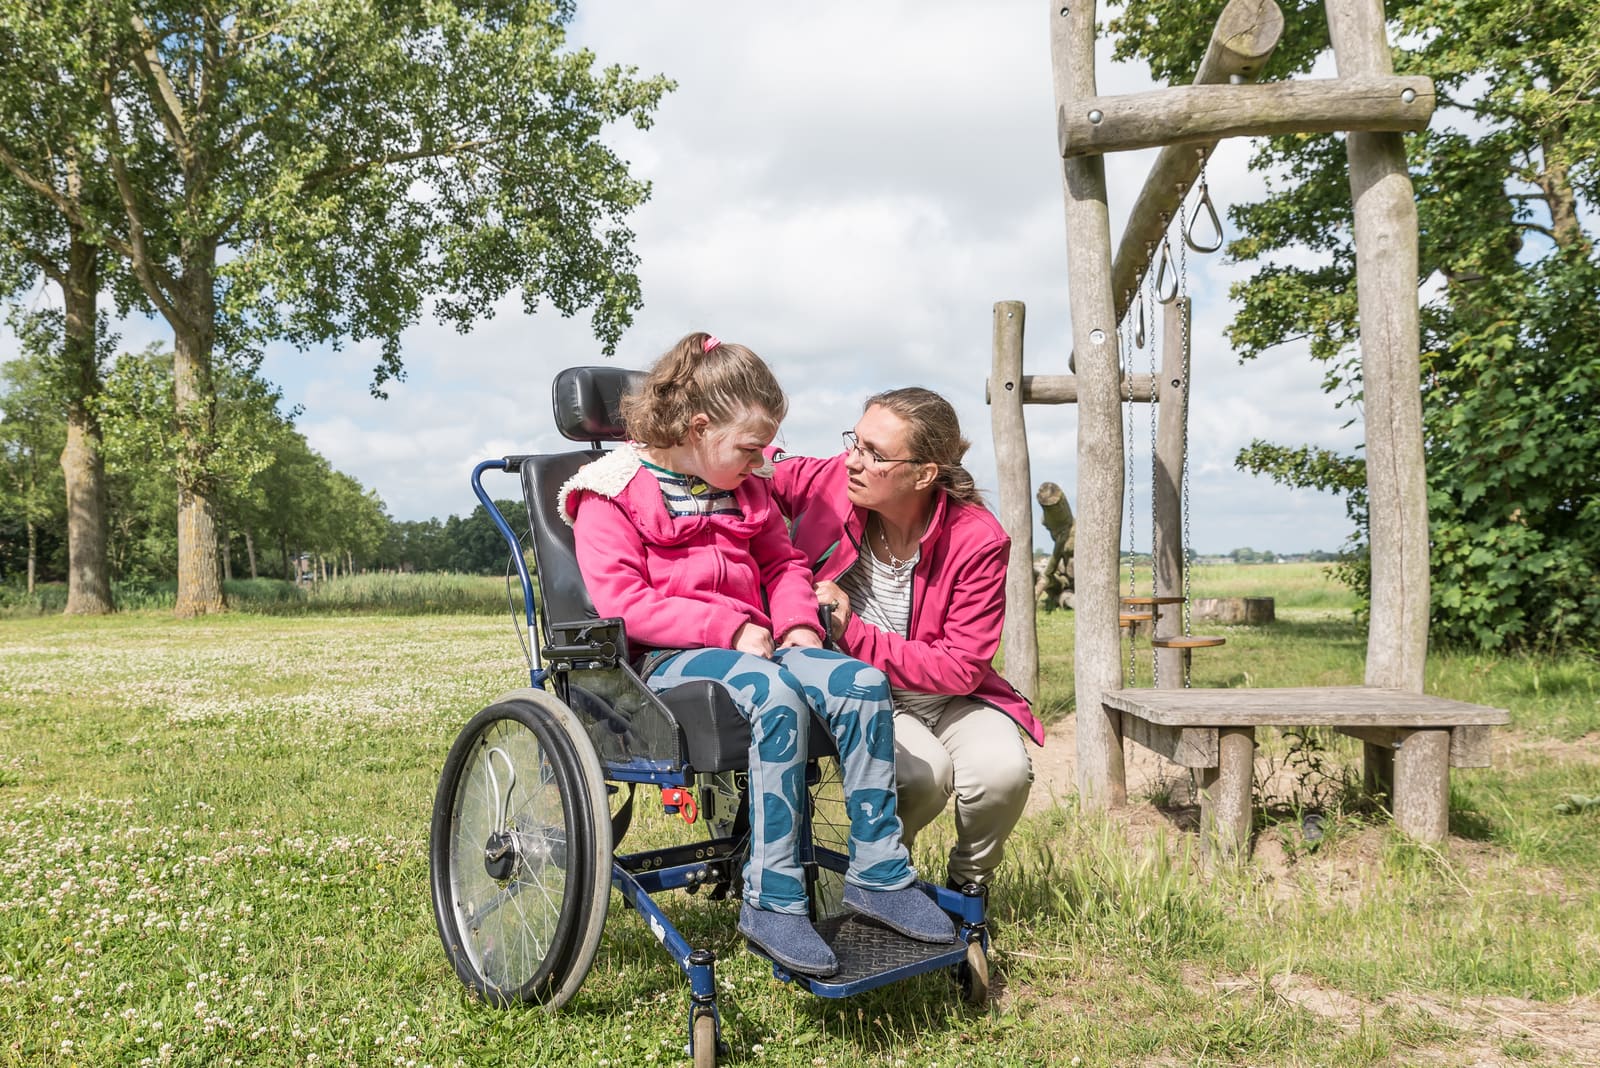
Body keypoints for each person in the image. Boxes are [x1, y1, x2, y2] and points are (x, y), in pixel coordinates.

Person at [559, 331, 954, 978]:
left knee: (859, 685)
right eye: (750, 446)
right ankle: (772, 900)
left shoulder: (746, 487)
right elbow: (623, 603)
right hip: (667, 661)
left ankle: (880, 876)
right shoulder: (611, 492)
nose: (762, 459)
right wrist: (730, 628)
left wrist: (798, 625)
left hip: (764, 642)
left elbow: (782, 561)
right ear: (698, 426)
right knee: (771, 697)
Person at [767, 387, 1042, 896]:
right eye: (855, 441)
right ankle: (881, 883)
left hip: (953, 695)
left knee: (1003, 774)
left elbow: (961, 668)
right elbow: (755, 466)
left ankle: (967, 891)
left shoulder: (978, 540)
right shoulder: (830, 482)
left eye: (874, 454)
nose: (852, 460)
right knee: (922, 777)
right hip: (869, 696)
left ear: (923, 474)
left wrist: (855, 632)